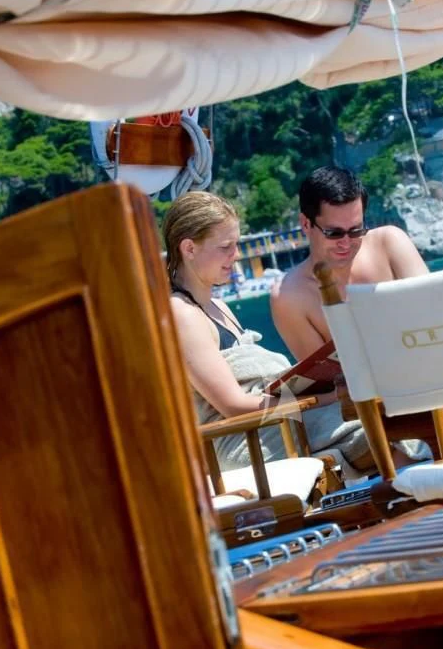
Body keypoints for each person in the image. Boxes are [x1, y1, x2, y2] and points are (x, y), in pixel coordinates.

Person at [163, 191, 397, 474]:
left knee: (389, 409)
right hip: (247, 439)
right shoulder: (182, 315)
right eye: (226, 246)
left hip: (271, 424)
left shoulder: (217, 306)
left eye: (236, 245)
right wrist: (328, 397)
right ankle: (419, 498)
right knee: (382, 422)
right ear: (189, 248)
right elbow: (234, 406)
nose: (235, 256)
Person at [271, 166, 428, 360]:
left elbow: (433, 313)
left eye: (356, 231)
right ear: (306, 224)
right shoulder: (289, 297)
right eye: (334, 233)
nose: (346, 242)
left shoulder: (390, 244)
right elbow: (326, 383)